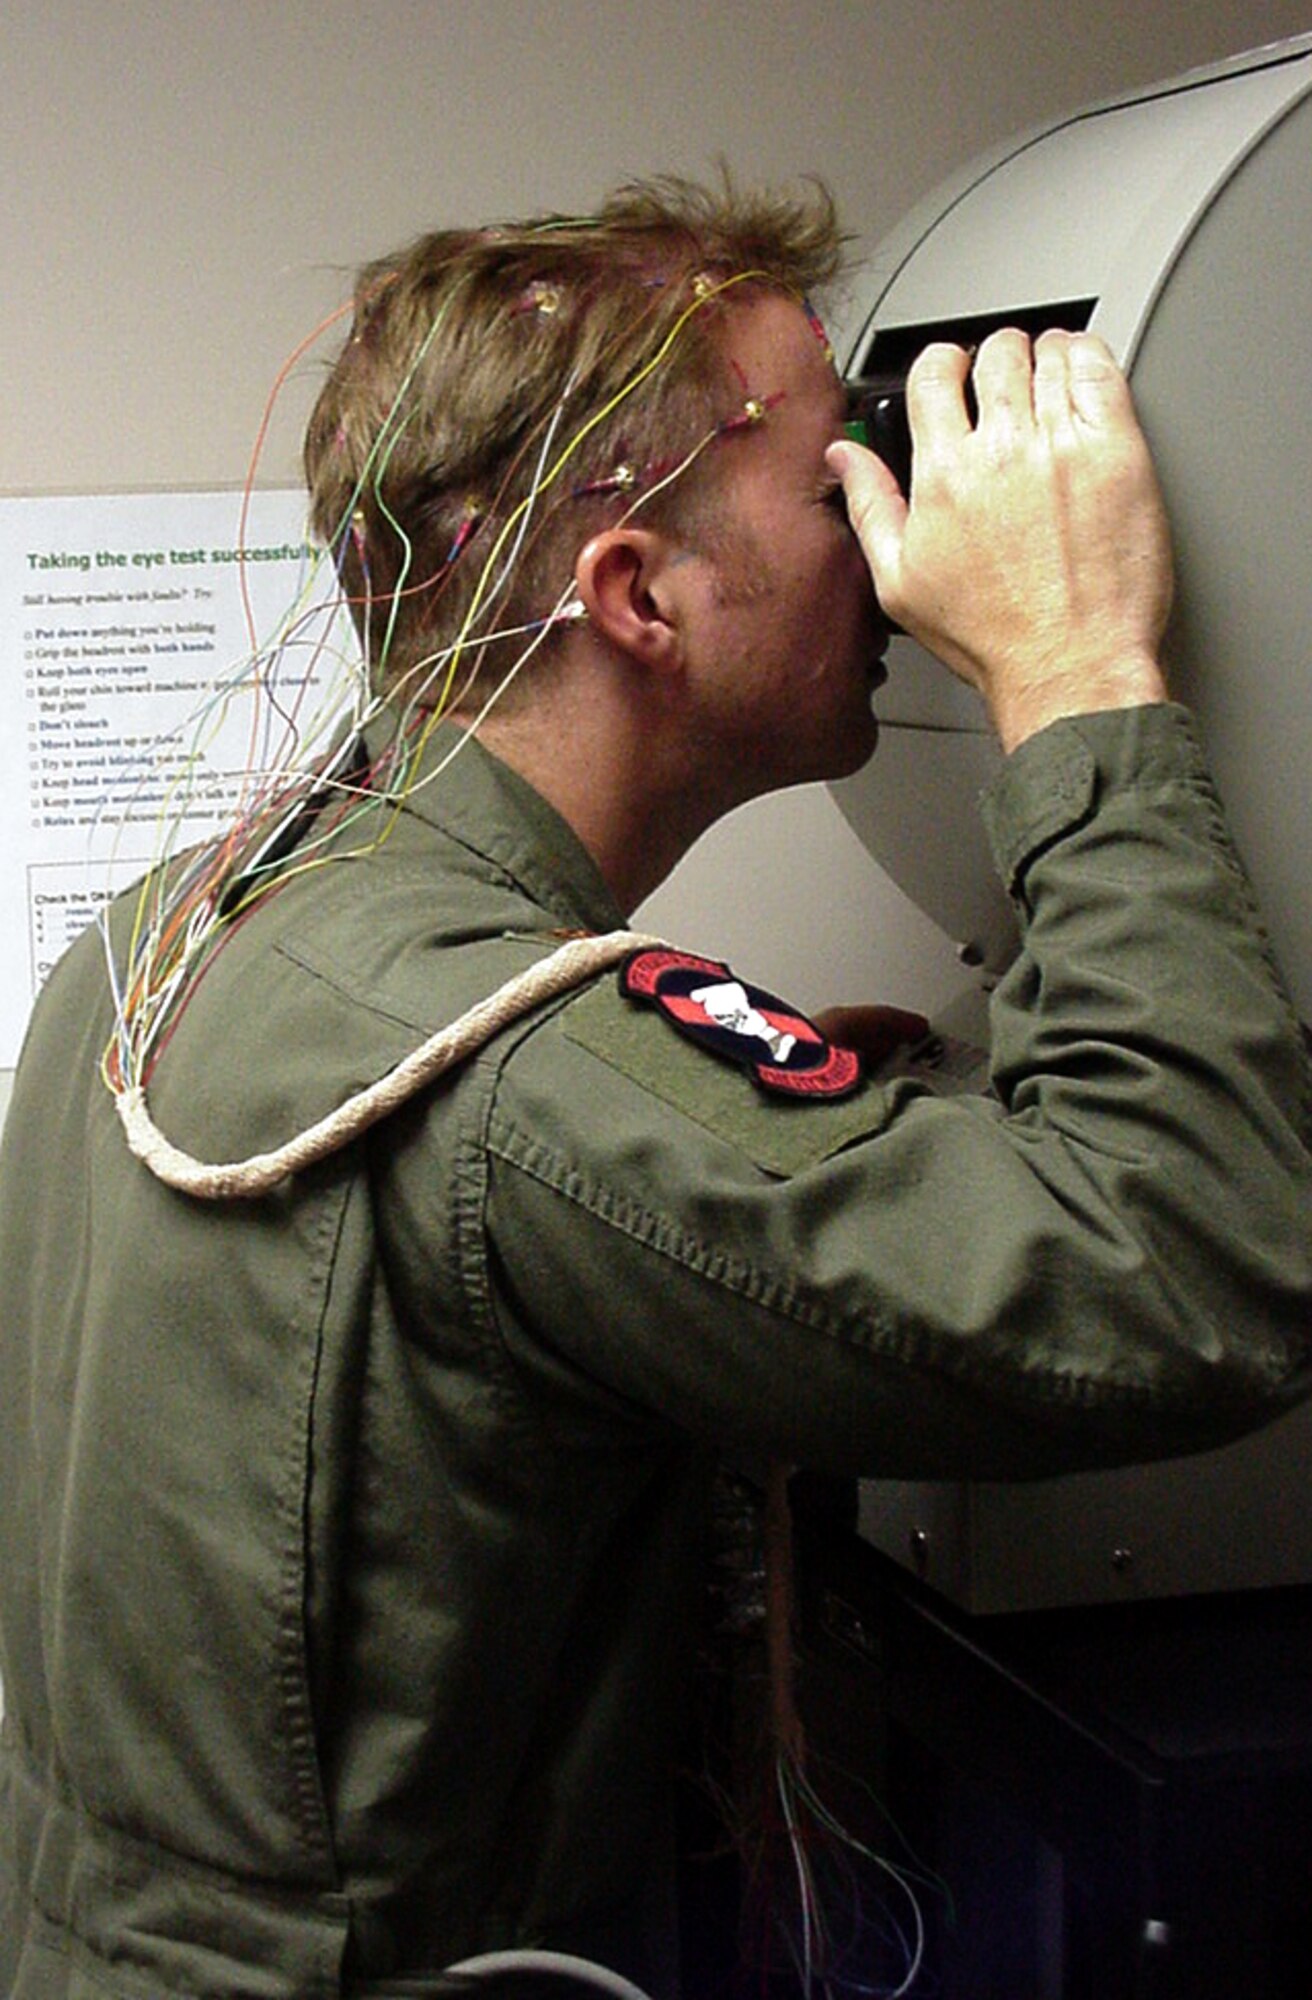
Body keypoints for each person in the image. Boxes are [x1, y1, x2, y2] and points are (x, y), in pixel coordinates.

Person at [1, 176, 1309, 2000]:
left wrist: (770, 1109)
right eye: (830, 478)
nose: (887, 527)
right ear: (640, 598)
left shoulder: (163, 937)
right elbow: (1189, 1263)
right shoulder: (530, 1078)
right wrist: (1082, 672)